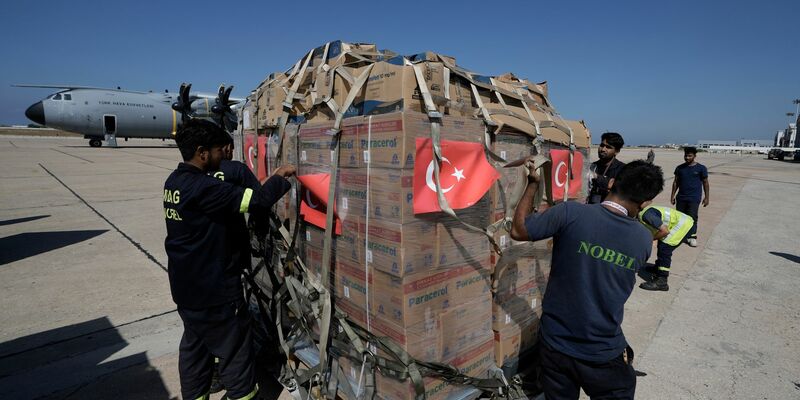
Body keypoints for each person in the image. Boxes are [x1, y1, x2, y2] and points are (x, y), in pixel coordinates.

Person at [164, 119, 296, 400]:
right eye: (217, 151)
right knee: (235, 351)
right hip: (214, 290)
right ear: (202, 153)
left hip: (186, 287)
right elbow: (257, 200)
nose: (222, 156)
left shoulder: (174, 182)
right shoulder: (204, 188)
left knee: (195, 350)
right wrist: (280, 177)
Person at [511, 160, 664, 399]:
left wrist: (532, 184)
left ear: (611, 183)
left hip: (555, 345)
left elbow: (518, 230)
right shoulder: (643, 239)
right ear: (645, 203)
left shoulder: (570, 213)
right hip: (601, 351)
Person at [637, 206, 694, 291]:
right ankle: (658, 267)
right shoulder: (642, 214)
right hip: (682, 222)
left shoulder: (646, 215)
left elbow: (665, 231)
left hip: (684, 225)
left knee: (664, 249)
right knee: (662, 243)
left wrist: (651, 239)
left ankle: (662, 281)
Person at [670, 146, 709, 247]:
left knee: (692, 217)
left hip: (694, 198)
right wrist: (672, 195)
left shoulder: (701, 168)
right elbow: (675, 182)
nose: (687, 158)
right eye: (686, 155)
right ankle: (680, 236)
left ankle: (692, 237)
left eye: (689, 156)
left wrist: (707, 197)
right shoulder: (679, 168)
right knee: (679, 217)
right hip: (681, 197)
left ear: (695, 156)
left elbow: (705, 183)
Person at [588, 132, 626, 204]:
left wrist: (596, 177)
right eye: (602, 145)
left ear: (617, 151)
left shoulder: (623, 169)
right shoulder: (592, 166)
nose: (603, 149)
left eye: (608, 147)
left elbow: (619, 188)